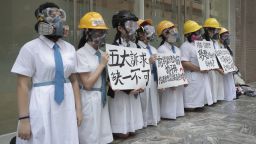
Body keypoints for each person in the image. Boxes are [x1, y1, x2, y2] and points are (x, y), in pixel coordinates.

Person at [11, 2, 82, 144]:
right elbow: (22, 85)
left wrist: (78, 109)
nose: (57, 19)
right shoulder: (30, 48)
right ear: (41, 20)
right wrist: (24, 119)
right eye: (52, 15)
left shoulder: (70, 49)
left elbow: (74, 80)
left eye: (59, 15)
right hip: (41, 104)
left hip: (66, 106)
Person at [76, 12, 113, 144]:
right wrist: (102, 64)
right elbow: (87, 84)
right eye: (97, 33)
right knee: (90, 136)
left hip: (102, 99)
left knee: (102, 137)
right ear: (87, 33)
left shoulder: (103, 54)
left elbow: (108, 79)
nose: (101, 37)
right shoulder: (80, 54)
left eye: (103, 32)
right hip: (89, 98)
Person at [108, 10, 144, 138]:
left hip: (134, 90)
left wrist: (141, 85)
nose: (133, 28)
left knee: (133, 130)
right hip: (121, 93)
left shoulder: (136, 47)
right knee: (123, 133)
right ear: (119, 28)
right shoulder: (114, 48)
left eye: (135, 25)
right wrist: (129, 90)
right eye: (129, 25)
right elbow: (113, 76)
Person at [180, 20, 213, 109]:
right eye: (196, 32)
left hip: (201, 76)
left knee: (200, 101)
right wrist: (200, 69)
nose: (199, 34)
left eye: (199, 32)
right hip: (192, 75)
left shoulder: (199, 45)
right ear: (188, 34)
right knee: (191, 104)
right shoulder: (185, 46)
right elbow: (184, 63)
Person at [156, 20, 185, 119]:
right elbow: (162, 69)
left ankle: (177, 112)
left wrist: (183, 79)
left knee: (177, 100)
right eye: (167, 32)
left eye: (172, 30)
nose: (172, 33)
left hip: (178, 81)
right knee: (169, 101)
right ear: (163, 35)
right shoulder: (161, 49)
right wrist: (170, 83)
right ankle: (167, 115)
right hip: (169, 83)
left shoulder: (177, 50)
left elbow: (180, 66)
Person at [136, 19, 160, 126]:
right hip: (142, 79)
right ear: (139, 33)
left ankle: (153, 119)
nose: (150, 33)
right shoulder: (136, 48)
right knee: (143, 101)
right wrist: (147, 62)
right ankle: (142, 122)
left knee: (153, 99)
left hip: (153, 78)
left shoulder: (154, 49)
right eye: (146, 30)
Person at [203, 18, 225, 102]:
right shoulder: (203, 42)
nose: (217, 33)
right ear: (208, 30)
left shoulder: (215, 42)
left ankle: (214, 99)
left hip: (217, 69)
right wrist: (217, 69)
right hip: (210, 70)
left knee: (215, 87)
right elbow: (207, 59)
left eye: (217, 30)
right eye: (215, 30)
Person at [219, 27, 236, 101]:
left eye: (228, 36)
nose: (227, 38)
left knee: (230, 85)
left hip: (229, 72)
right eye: (225, 36)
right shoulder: (219, 46)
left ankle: (231, 96)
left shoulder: (228, 47)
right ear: (220, 37)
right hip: (223, 72)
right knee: (225, 86)